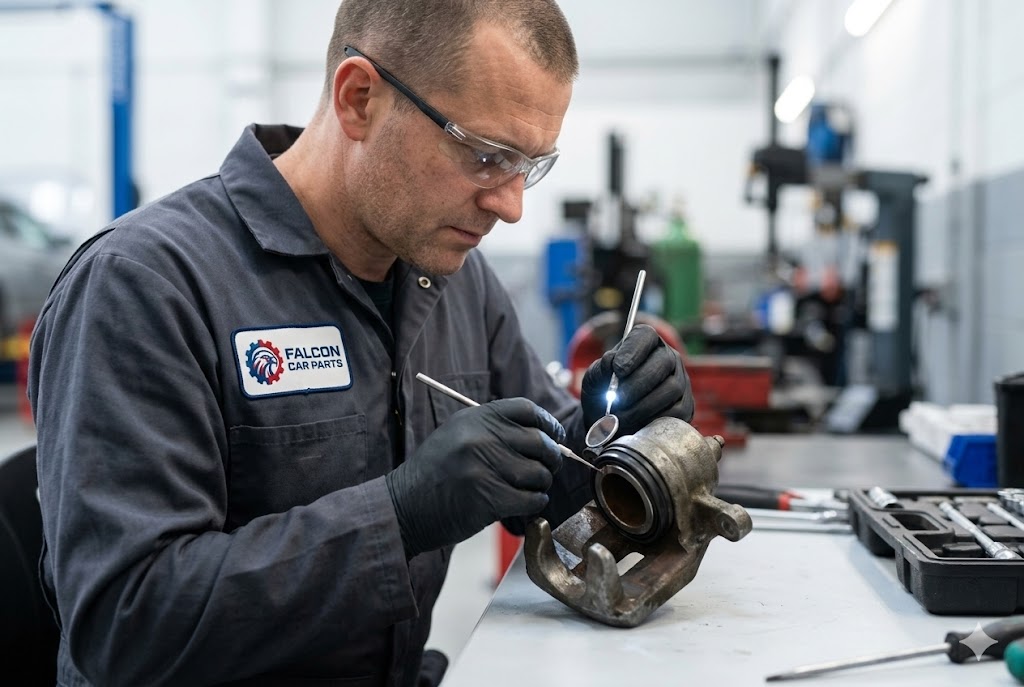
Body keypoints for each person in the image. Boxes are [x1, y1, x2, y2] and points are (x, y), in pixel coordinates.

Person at [28, 1, 694, 685]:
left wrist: (627, 435)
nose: (511, 204)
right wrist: (399, 514)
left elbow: (560, 480)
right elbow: (124, 626)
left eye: (530, 164)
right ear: (359, 99)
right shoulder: (144, 287)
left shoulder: (455, 283)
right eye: (487, 156)